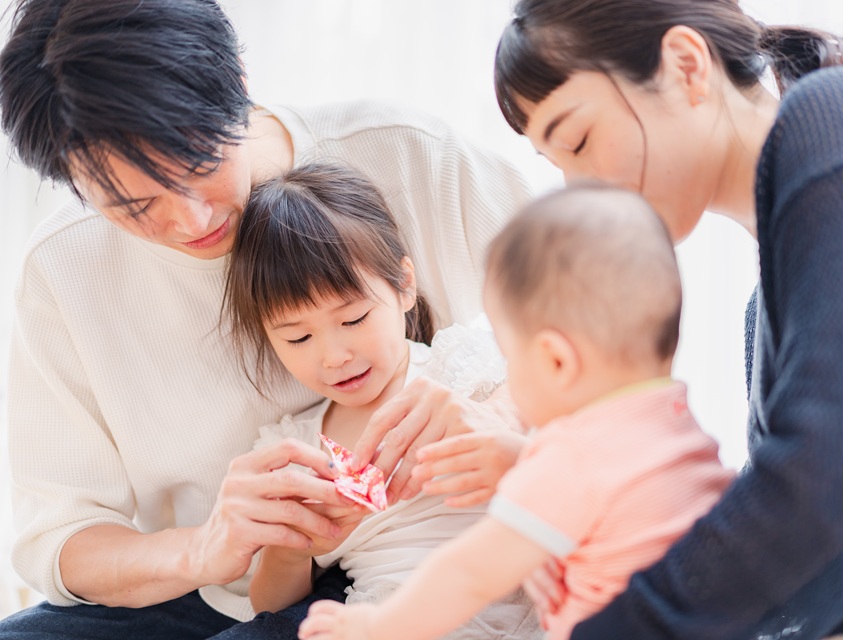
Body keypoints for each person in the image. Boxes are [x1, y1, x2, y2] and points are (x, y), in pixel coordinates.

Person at [0, 0, 530, 637]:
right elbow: (62, 536)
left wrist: (496, 413)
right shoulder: (62, 272)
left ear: (241, 83)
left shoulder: (409, 154)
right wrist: (207, 547)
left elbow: (609, 328)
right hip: (221, 582)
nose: (193, 222)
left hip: (435, 550)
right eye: (137, 205)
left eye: (199, 165)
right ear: (74, 182)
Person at [491, 1, 843, 638]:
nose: (582, 189)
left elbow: (837, 487)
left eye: (577, 140)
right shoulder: (764, 306)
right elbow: (776, 520)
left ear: (687, 66)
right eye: (558, 166)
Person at [298, 184, 735, 640]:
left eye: (510, 354)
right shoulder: (684, 431)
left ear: (556, 362)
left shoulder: (570, 459)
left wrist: (375, 624)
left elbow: (470, 575)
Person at [224, 161, 539, 638]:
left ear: (404, 285)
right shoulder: (294, 450)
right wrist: (292, 548)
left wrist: (497, 423)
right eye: (297, 338)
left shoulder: (462, 368)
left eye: (353, 320)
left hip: (532, 598)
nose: (334, 356)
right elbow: (267, 607)